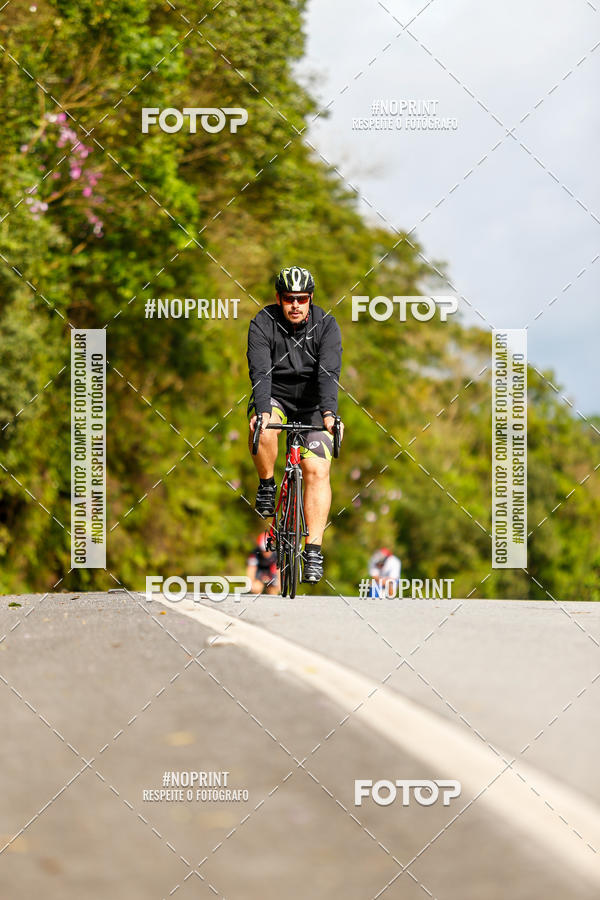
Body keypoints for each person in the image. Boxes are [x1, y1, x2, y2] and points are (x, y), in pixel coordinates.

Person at [247, 266, 343, 583]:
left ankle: (313, 549)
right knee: (264, 425)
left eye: (302, 299)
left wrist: (329, 414)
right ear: (279, 298)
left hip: (314, 405)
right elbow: (260, 374)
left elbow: (329, 374)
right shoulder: (263, 323)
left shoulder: (327, 326)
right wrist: (261, 411)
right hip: (276, 397)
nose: (296, 305)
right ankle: (266, 484)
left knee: (317, 469)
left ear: (310, 298)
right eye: (289, 299)